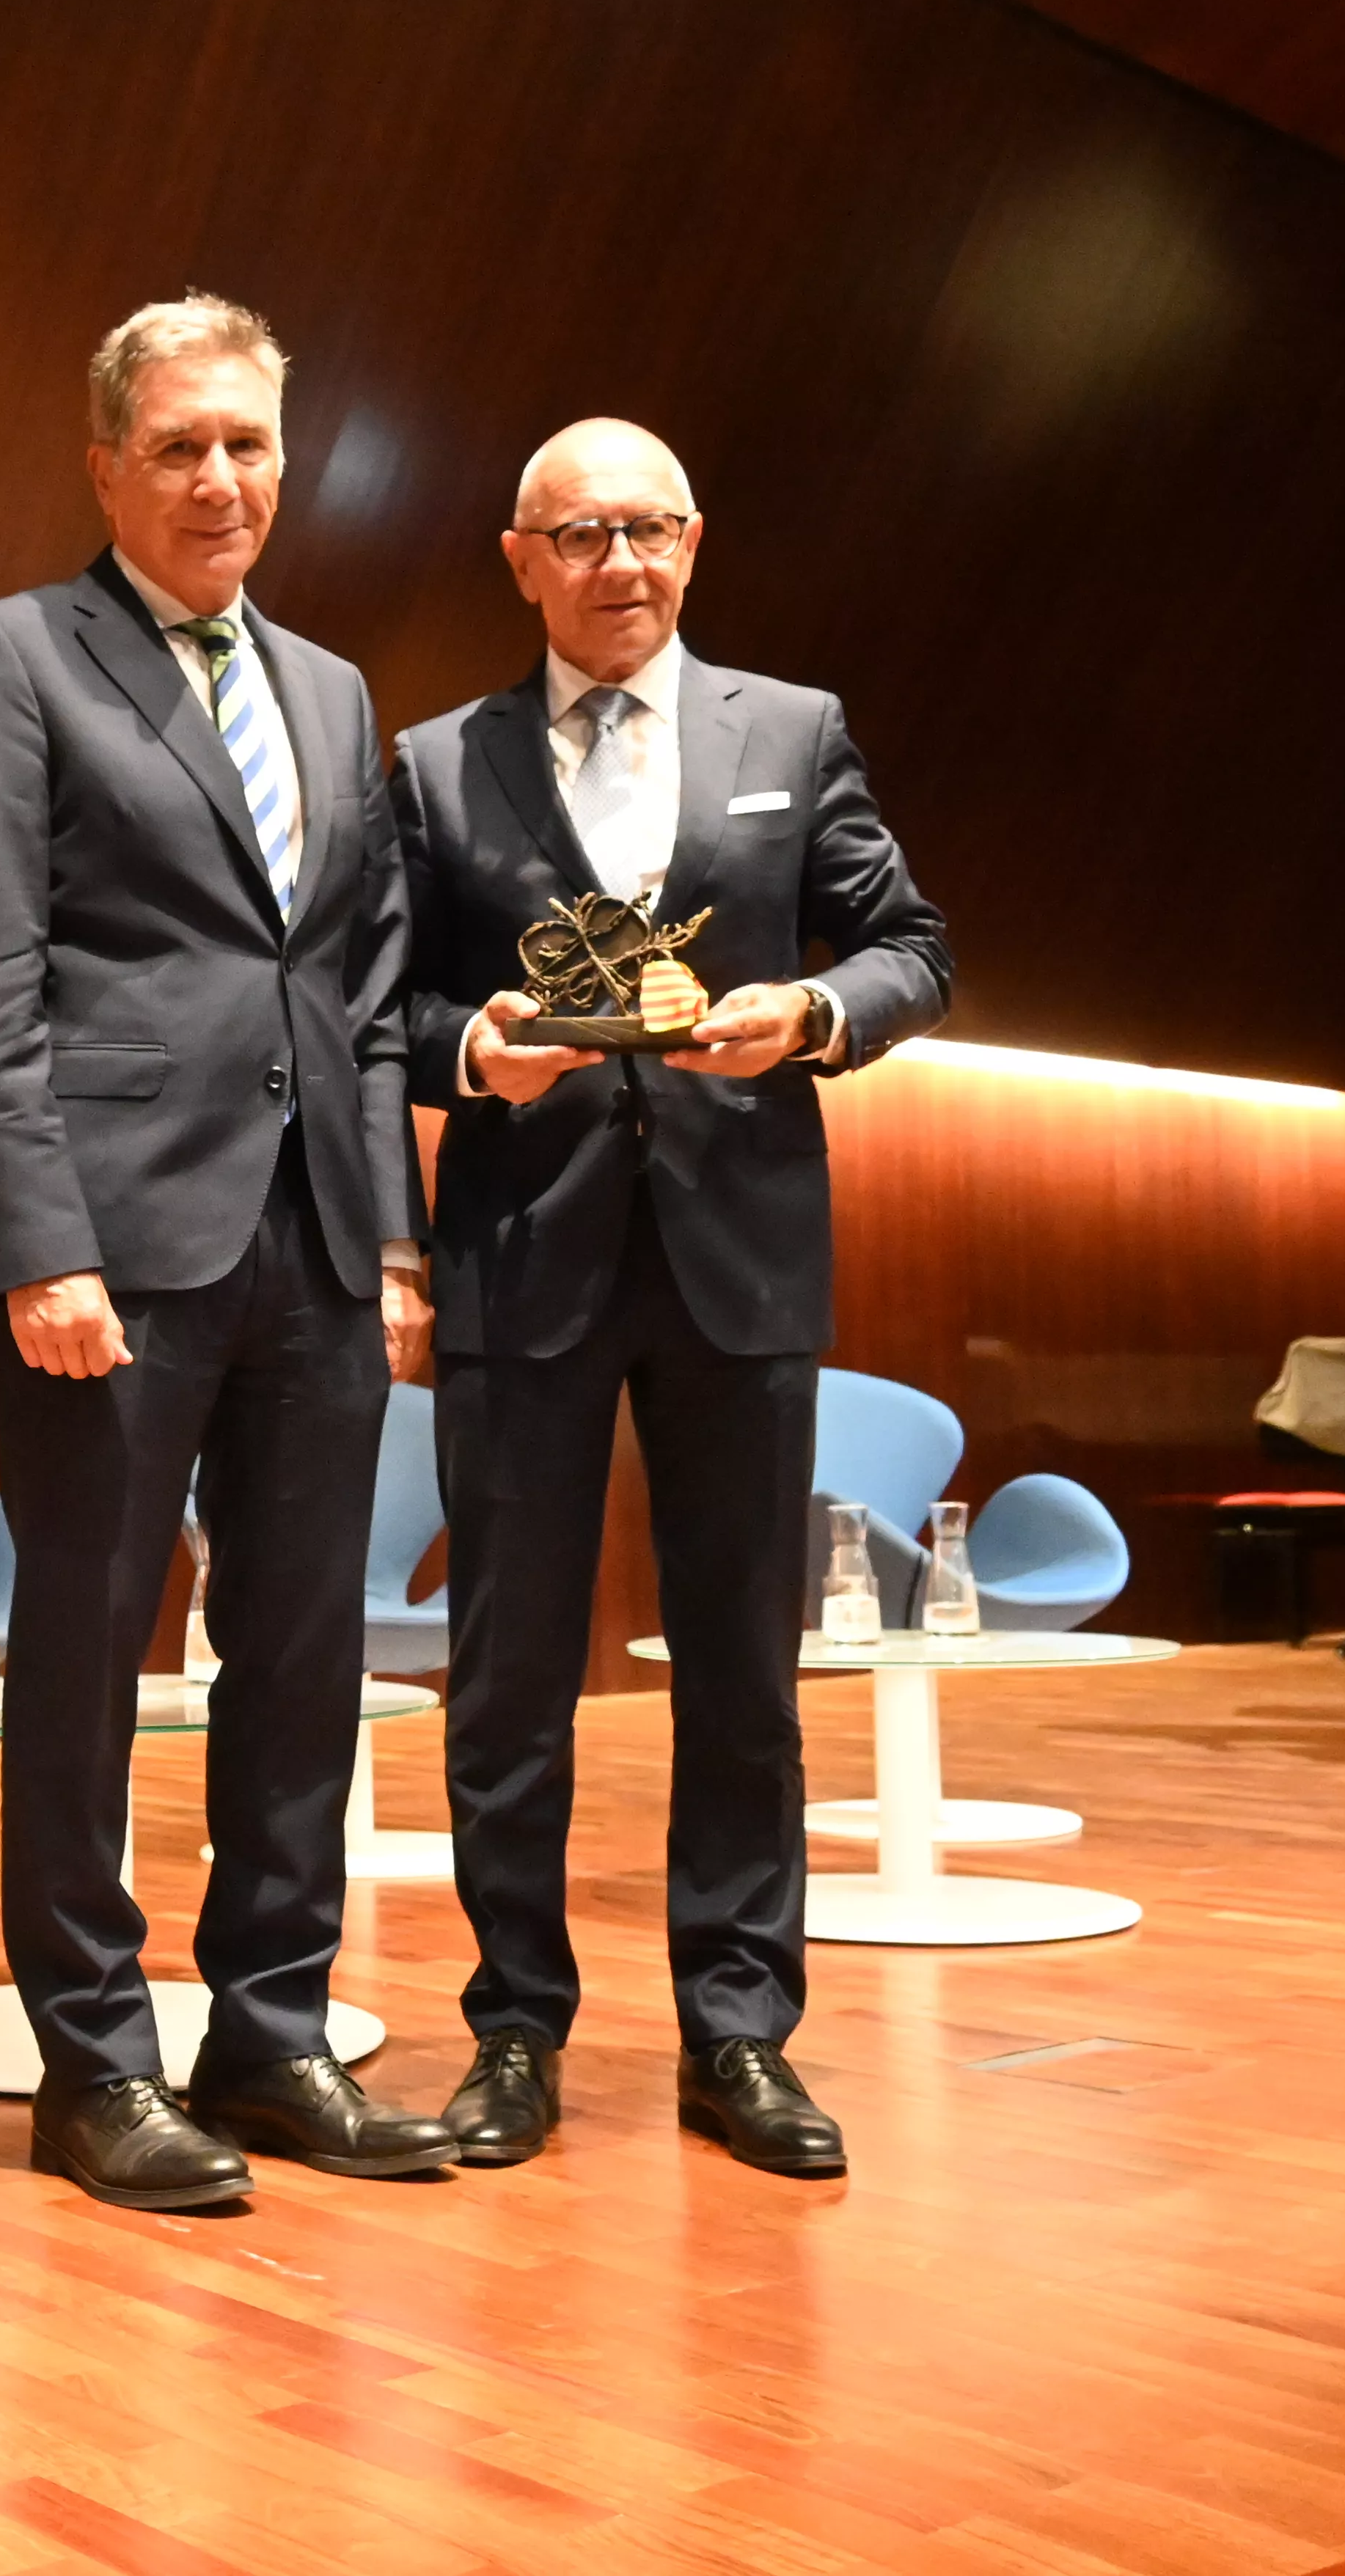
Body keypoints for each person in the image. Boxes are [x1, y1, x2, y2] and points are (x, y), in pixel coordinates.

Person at [0, 294, 456, 2211]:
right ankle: (90, 2059)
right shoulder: (10, 659)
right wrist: (34, 1244)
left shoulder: (331, 688)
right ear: (106, 467)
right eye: (180, 448)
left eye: (248, 448)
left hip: (316, 1249)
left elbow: (371, 1001)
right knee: (84, 1653)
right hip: (113, 1261)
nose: (220, 481)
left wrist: (394, 1244)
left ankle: (275, 2033)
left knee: (300, 1655)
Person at [389, 419, 950, 2178]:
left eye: (644, 531)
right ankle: (510, 2030)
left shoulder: (793, 731)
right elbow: (370, 1005)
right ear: (518, 558)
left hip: (738, 1254)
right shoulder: (431, 764)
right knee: (506, 1679)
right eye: (578, 535)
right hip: (518, 1257)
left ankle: (740, 2032)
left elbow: (911, 948)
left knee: (741, 1672)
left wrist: (816, 1013)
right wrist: (477, 1049)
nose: (616, 563)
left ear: (693, 542)